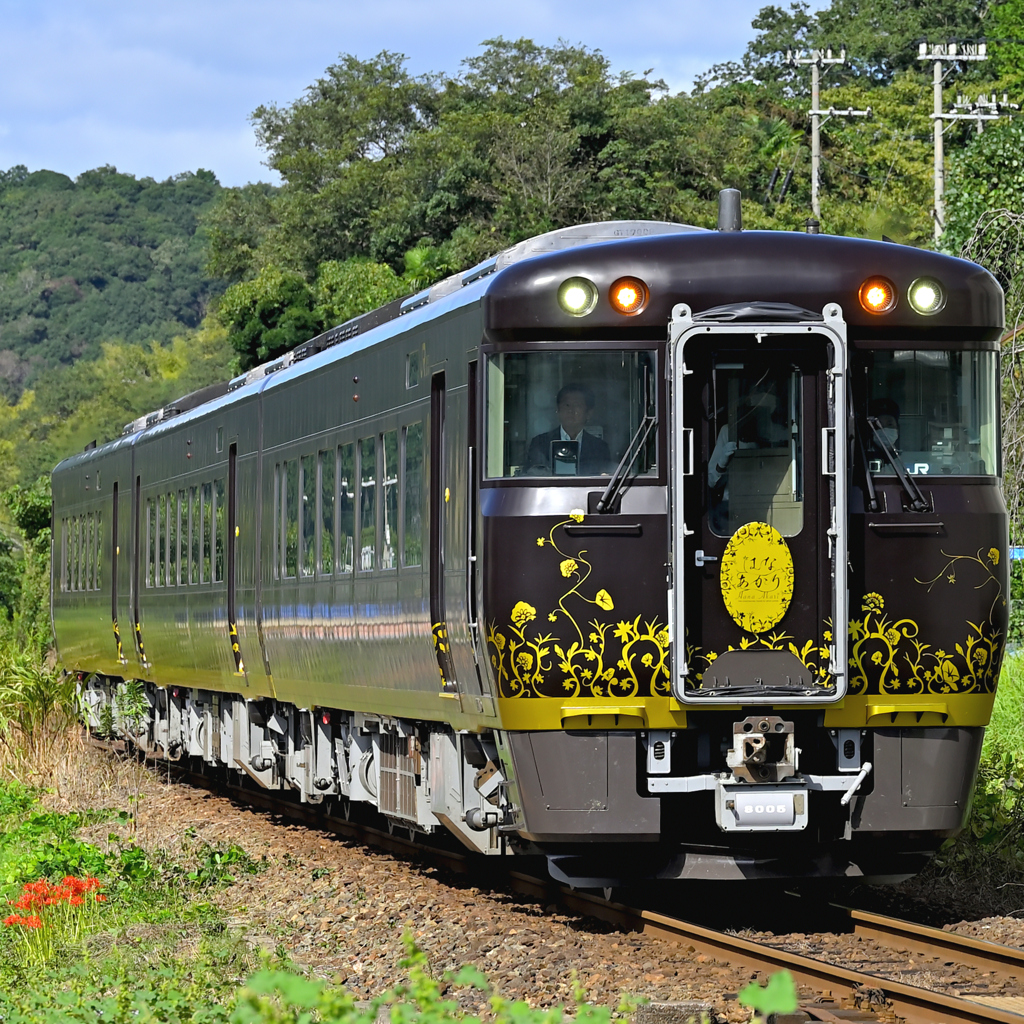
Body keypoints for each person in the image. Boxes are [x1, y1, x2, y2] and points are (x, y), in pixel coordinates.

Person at [525, 383, 612, 476]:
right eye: (567, 405)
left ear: (588, 413)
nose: (571, 410)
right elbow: (532, 477)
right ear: (558, 411)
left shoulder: (599, 448)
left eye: (577, 405)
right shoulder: (540, 444)